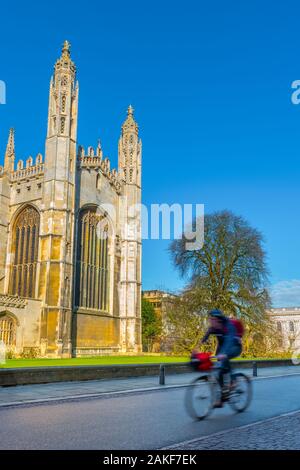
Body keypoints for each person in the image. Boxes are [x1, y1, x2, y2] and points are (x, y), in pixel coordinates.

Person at [201, 308, 243, 407]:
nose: (211, 322)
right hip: (222, 349)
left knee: (225, 358)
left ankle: (233, 381)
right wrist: (196, 349)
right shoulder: (213, 328)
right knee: (218, 369)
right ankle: (222, 398)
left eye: (213, 319)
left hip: (235, 346)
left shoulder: (228, 326)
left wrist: (223, 354)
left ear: (219, 319)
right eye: (210, 319)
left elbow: (229, 340)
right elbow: (204, 339)